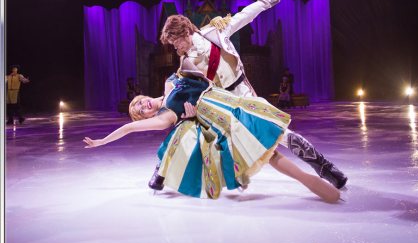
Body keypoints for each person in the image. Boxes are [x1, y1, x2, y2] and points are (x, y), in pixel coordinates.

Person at [154, 0, 348, 190]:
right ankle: (164, 169)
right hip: (222, 107)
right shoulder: (185, 62)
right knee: (218, 140)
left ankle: (325, 167)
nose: (175, 47)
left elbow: (246, 15)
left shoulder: (214, 32)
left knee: (279, 132)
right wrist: (163, 104)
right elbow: (181, 90)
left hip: (244, 95)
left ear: (185, 32)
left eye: (175, 41)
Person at [83, 76, 341, 203]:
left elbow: (200, 73)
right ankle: (308, 180)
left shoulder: (170, 82)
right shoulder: (166, 116)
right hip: (223, 123)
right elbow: (129, 128)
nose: (143, 106)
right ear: (146, 117)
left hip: (233, 104)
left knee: (276, 135)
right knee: (268, 153)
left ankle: (322, 167)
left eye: (140, 102)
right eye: (140, 111)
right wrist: (102, 141)